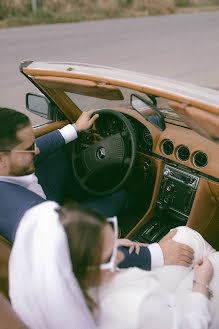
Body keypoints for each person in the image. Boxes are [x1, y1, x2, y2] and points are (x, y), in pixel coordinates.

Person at [0, 107, 194, 271]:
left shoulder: (9, 170)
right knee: (122, 195)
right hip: (66, 253)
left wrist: (75, 128)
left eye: (33, 142)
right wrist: (155, 255)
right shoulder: (31, 215)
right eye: (29, 148)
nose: (36, 150)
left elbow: (37, 147)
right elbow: (75, 251)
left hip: (55, 219)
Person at [9, 201, 219, 329]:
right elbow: (191, 326)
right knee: (212, 261)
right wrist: (200, 284)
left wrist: (110, 244)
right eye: (109, 256)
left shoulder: (48, 291)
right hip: (179, 317)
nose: (121, 257)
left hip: (156, 309)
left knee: (184, 235)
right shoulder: (136, 305)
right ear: (82, 272)